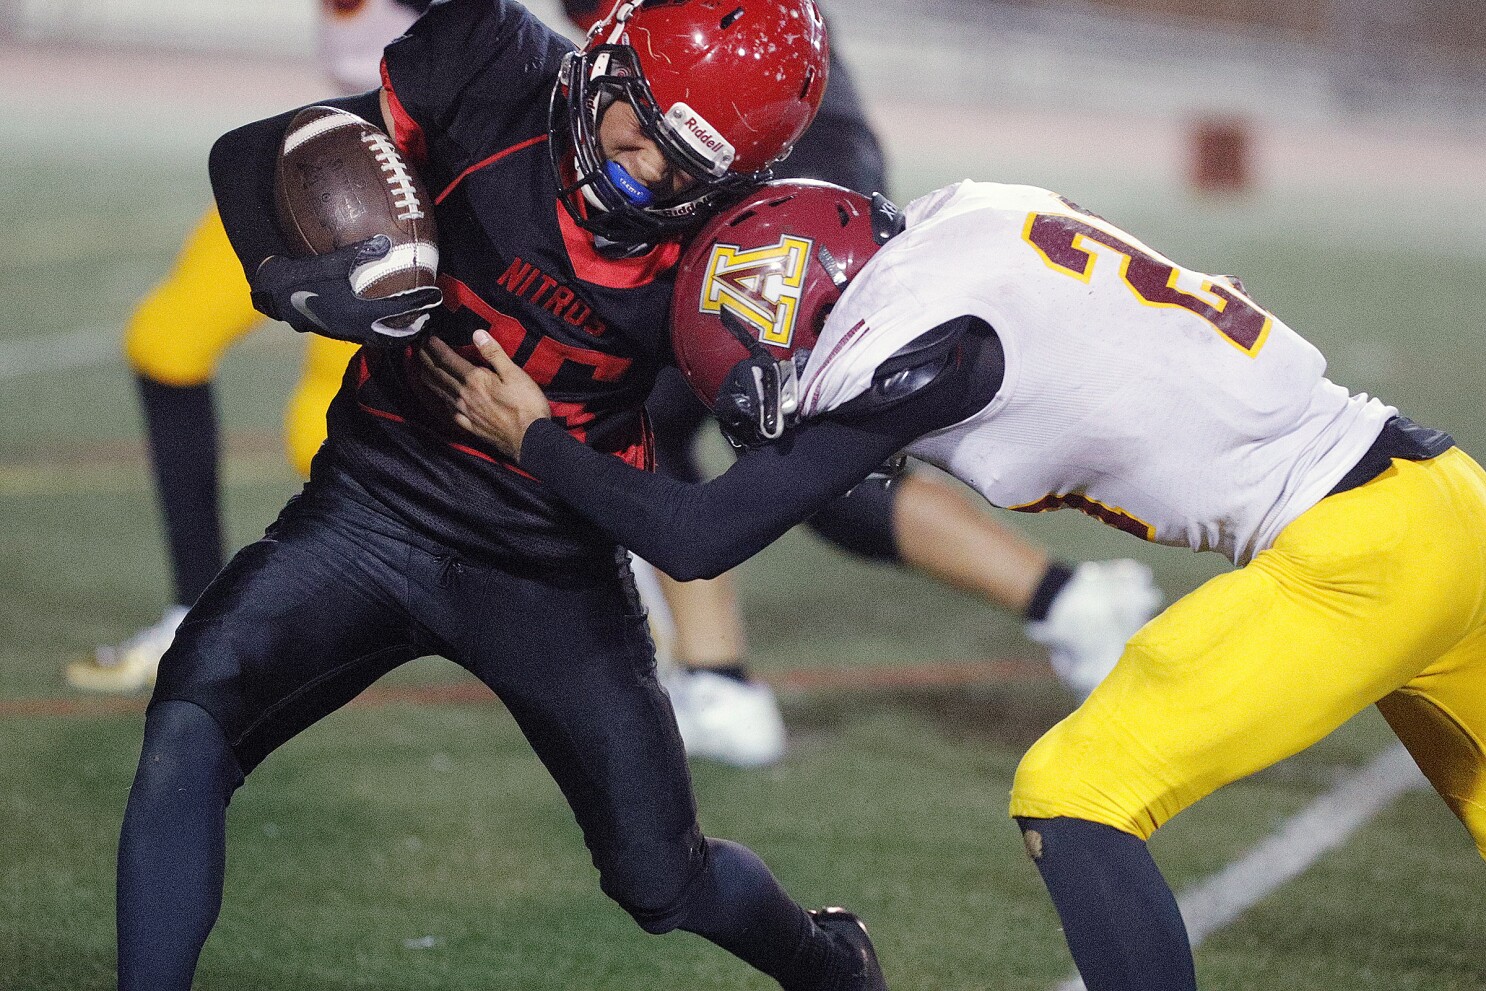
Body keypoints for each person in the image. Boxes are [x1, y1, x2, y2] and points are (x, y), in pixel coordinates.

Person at [417, 178, 1486, 991]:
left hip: (1355, 556)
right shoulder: (964, 226)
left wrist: (537, 441)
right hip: (1446, 499)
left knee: (1077, 795)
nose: (792, 387)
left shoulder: (926, 342)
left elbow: (700, 536)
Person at [118, 4, 889, 989]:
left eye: (686, 167)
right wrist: (296, 273)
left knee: (664, 884)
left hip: (547, 570)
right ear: (603, 60)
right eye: (642, 128)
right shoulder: (490, 65)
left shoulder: (736, 251)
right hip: (373, 504)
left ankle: (828, 966)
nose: (646, 172)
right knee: (190, 720)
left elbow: (708, 516)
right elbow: (269, 155)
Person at [66, 0, 431, 695]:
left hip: (394, 192)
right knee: (167, 338)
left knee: (313, 431)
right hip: (318, 165)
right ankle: (193, 607)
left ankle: (598, 577)